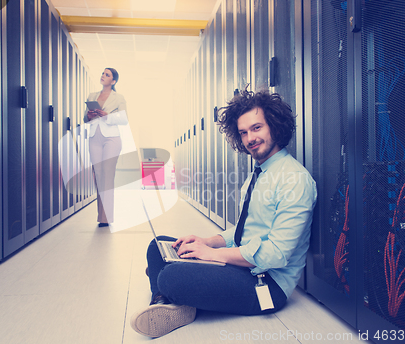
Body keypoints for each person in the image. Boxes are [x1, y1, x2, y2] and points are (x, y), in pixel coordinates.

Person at [130, 87, 317, 338]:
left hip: (266, 284)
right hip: (241, 266)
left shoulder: (294, 179)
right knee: (159, 245)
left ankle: (167, 291)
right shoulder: (259, 172)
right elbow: (243, 229)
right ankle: (168, 302)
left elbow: (276, 255)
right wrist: (207, 242)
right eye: (243, 132)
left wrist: (211, 255)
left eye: (257, 128)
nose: (250, 138)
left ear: (274, 125)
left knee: (171, 275)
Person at [84, 68, 128, 227]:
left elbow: (124, 119)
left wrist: (107, 116)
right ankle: (101, 215)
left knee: (107, 176)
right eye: (103, 73)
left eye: (107, 75)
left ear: (113, 81)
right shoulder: (92, 96)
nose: (103, 76)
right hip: (94, 137)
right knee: (98, 176)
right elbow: (85, 117)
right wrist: (88, 116)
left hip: (111, 138)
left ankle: (105, 218)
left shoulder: (118, 97)